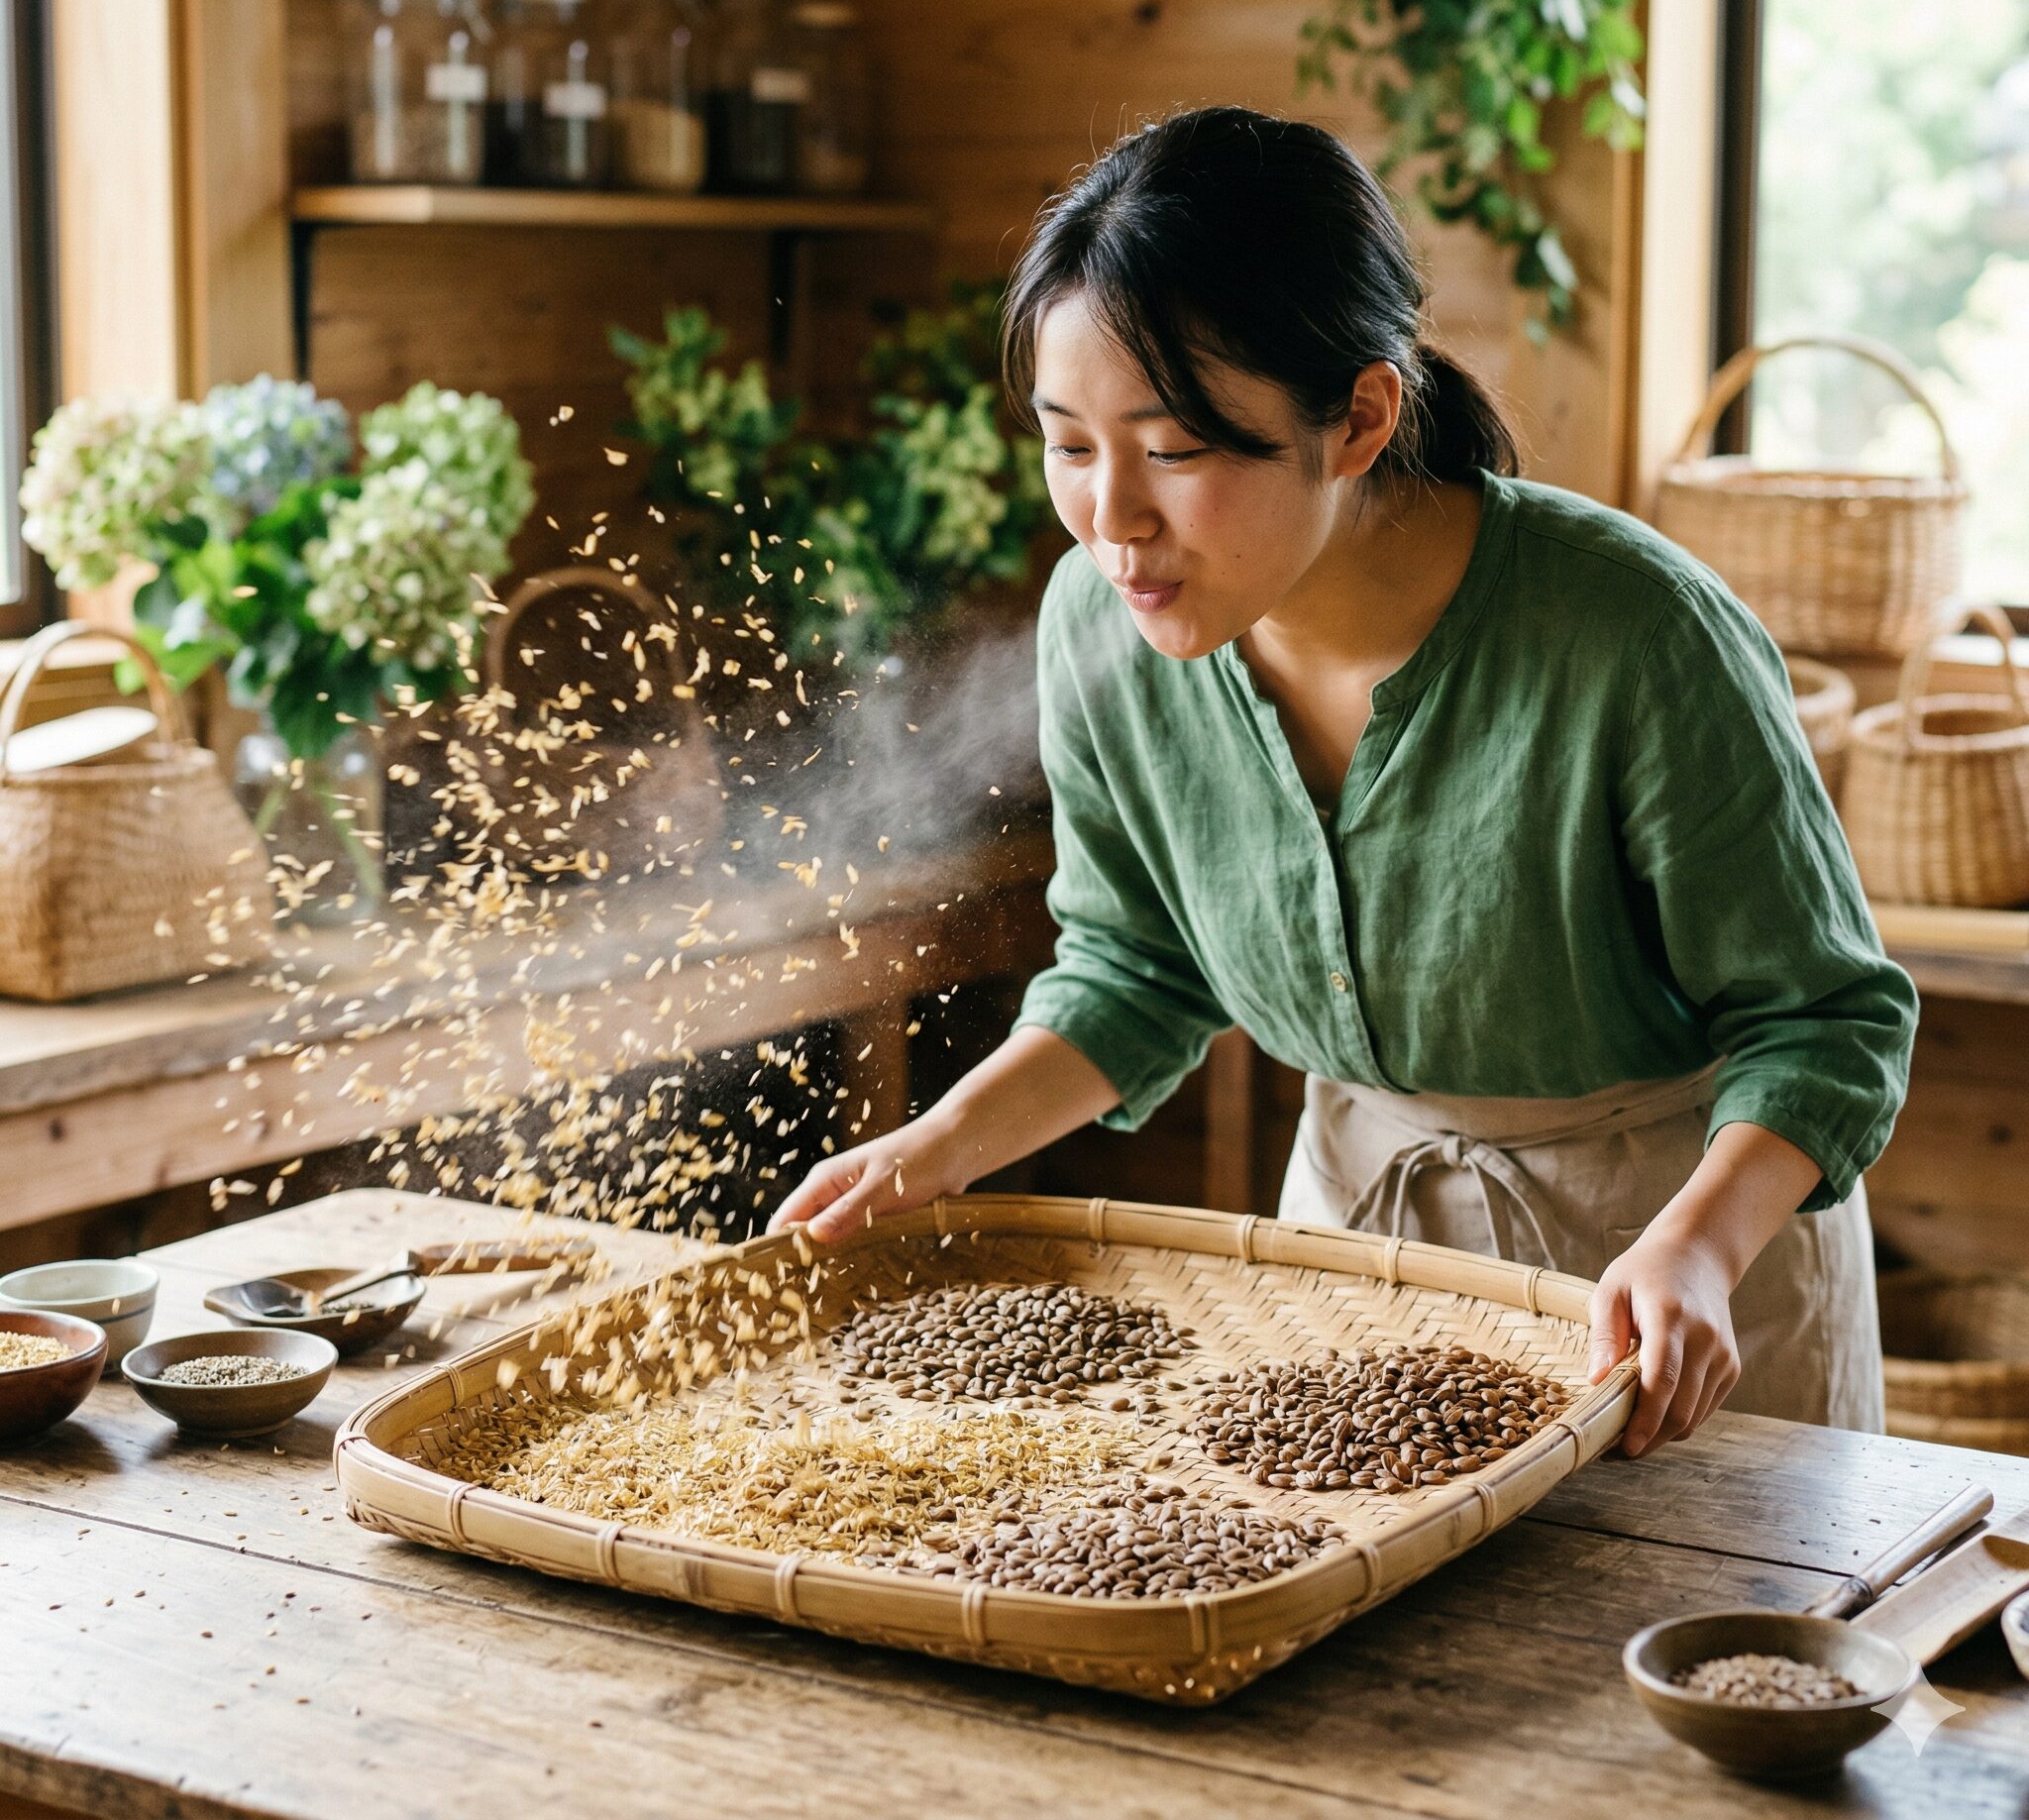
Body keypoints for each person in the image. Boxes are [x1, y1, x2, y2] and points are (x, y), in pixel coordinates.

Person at [774, 104, 1915, 1456]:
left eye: (1177, 450)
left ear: (1362, 416)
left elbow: (1827, 1023)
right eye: (1070, 445)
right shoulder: (1105, 622)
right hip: (1363, 1248)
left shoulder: (1636, 635)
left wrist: (1700, 1252)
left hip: (1675, 1286)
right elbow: (1135, 973)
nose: (1114, 519)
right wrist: (941, 1144)